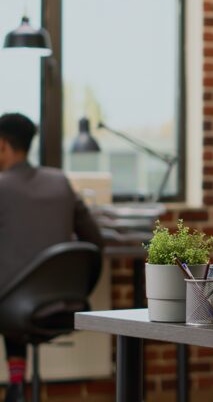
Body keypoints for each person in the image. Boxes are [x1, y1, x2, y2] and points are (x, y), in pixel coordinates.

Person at [0, 113, 103, 402]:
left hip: (12, 307)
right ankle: (16, 381)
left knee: (8, 293)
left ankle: (17, 383)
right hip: (63, 304)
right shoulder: (60, 182)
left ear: (3, 144)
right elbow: (95, 241)